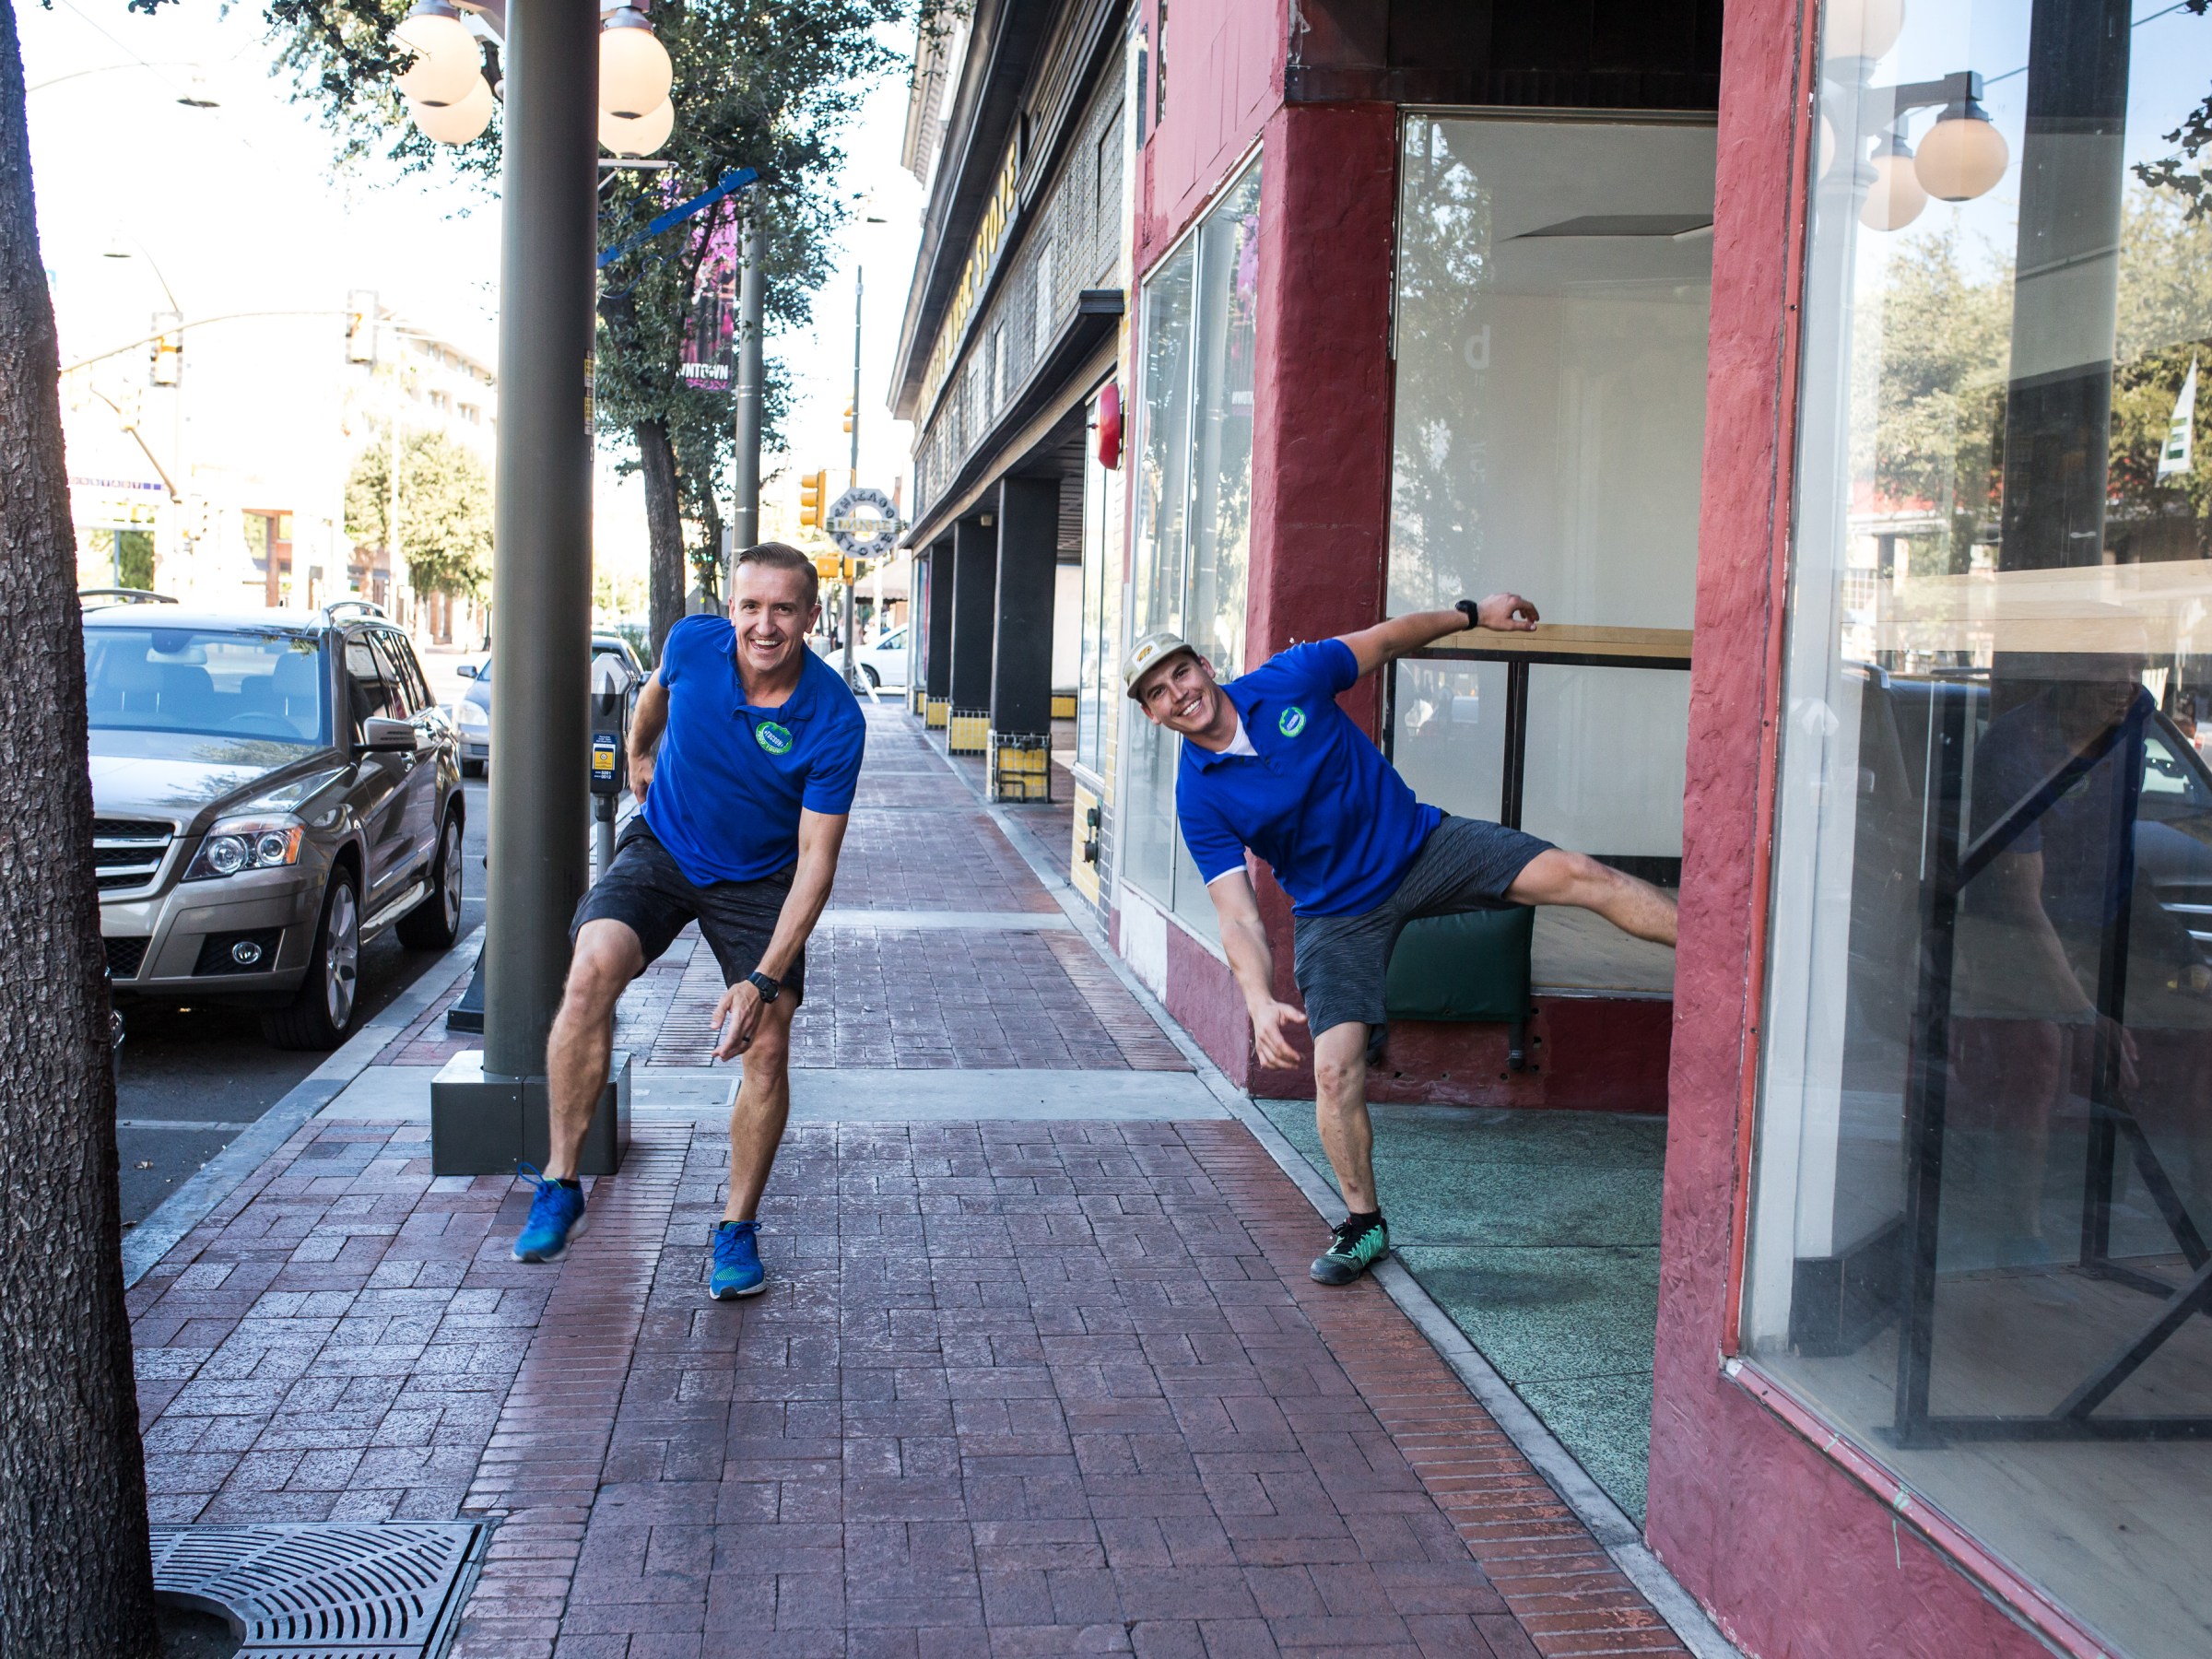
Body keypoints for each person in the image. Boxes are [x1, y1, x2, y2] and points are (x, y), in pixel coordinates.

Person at [1124, 598, 1678, 1285]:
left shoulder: (1290, 677)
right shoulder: (1197, 795)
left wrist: (1474, 613)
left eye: (1181, 674)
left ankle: (1712, 954)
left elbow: (1387, 640)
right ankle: (1364, 1225)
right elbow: (1236, 914)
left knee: (1578, 874)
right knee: (1332, 1070)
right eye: (1158, 693)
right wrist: (1259, 1000)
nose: (1179, 694)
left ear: (1205, 668)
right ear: (1153, 715)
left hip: (1421, 845)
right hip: (1336, 912)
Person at [511, 542, 865, 1300]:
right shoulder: (692, 643)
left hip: (763, 875)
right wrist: (640, 755)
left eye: (782, 609)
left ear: (809, 616)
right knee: (590, 971)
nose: (763, 625)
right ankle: (561, 1179)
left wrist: (763, 981)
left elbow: (816, 862)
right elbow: (654, 699)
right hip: (667, 843)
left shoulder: (833, 717)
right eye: (750, 606)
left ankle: (736, 1231)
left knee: (768, 1042)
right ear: (730, 607)